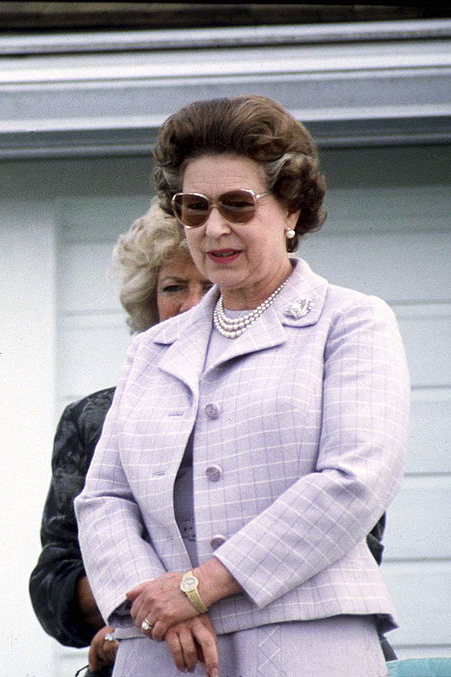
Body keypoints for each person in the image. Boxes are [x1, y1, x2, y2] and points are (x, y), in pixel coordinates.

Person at [76, 94, 410, 677]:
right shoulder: (150, 350)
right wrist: (162, 605)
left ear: (292, 211)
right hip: (164, 652)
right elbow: (104, 500)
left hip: (307, 642)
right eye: (195, 208)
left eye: (237, 205)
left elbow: (354, 481)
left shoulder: (351, 321)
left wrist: (200, 587)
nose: (215, 228)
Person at [30, 200, 212, 677]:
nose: (193, 305)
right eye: (174, 287)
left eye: (211, 287)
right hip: (145, 656)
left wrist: (195, 593)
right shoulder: (94, 418)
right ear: (146, 301)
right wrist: (135, 609)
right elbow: (53, 582)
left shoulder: (294, 395)